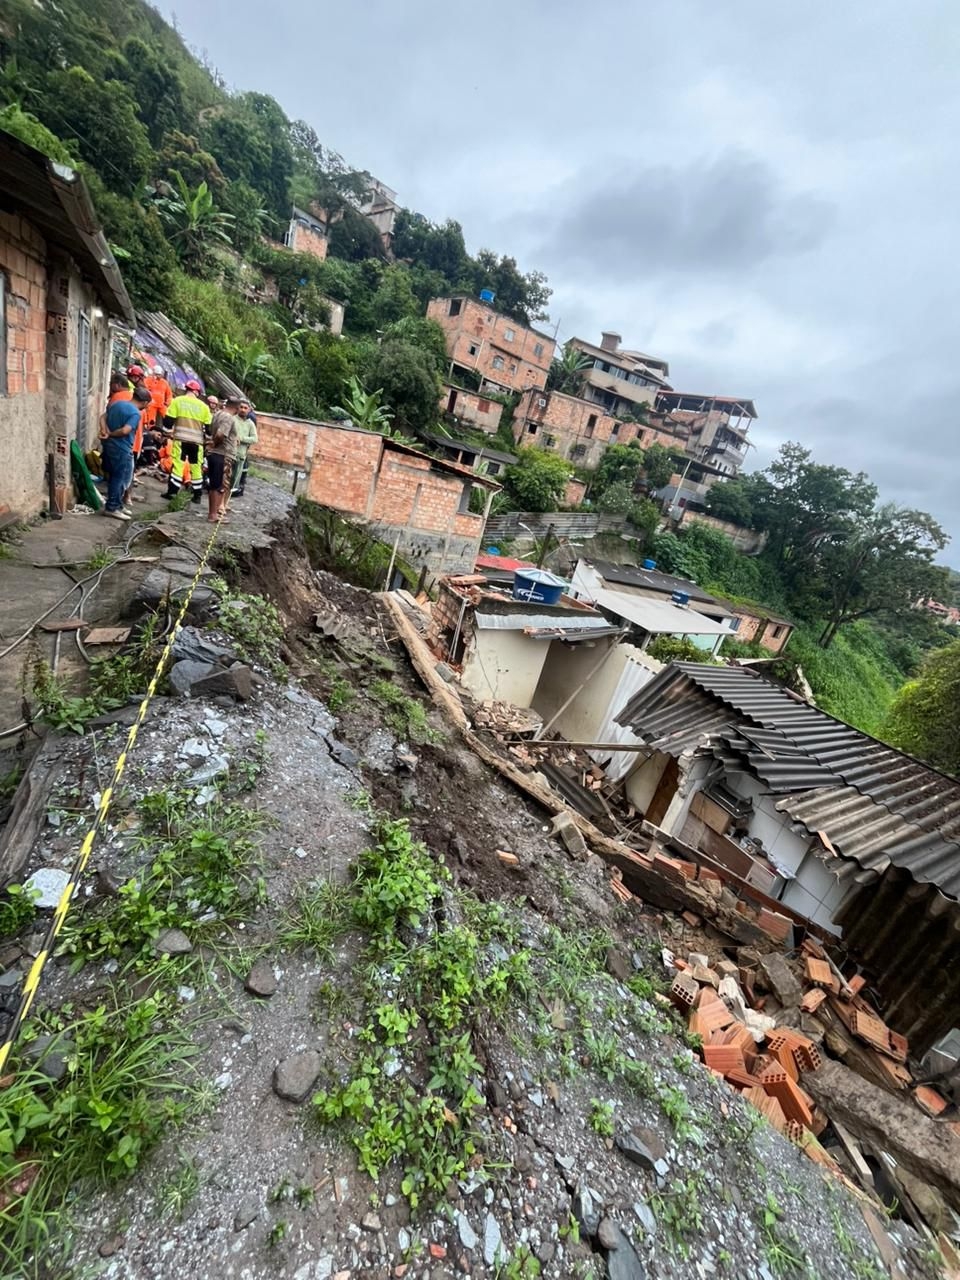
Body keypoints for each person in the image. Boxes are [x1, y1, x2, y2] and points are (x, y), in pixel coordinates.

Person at [102, 385, 151, 520]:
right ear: (145, 402)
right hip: (121, 448)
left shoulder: (117, 404)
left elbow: (102, 417)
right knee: (119, 478)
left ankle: (117, 505)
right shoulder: (135, 413)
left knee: (113, 476)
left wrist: (105, 431)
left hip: (108, 445)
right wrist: (111, 434)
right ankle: (112, 507)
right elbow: (125, 430)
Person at [163, 379, 210, 502]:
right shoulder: (204, 407)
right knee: (195, 468)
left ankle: (172, 493)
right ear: (197, 392)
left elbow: (168, 422)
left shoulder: (177, 401)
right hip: (197, 443)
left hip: (180, 440)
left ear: (187, 389)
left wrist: (166, 433)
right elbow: (209, 429)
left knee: (178, 466)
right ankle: (197, 496)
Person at [206, 397, 240, 523]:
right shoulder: (228, 418)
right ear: (236, 408)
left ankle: (213, 513)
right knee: (220, 485)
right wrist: (213, 444)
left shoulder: (217, 414)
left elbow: (211, 431)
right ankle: (213, 514)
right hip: (223, 454)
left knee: (214, 484)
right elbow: (220, 434)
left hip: (216, 454)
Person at [231, 399, 258, 497]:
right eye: (241, 407)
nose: (243, 410)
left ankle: (226, 503)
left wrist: (241, 438)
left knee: (235, 479)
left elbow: (255, 439)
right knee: (225, 478)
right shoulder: (232, 419)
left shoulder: (250, 423)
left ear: (249, 410)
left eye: (245, 408)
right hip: (229, 453)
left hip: (241, 455)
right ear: (238, 408)